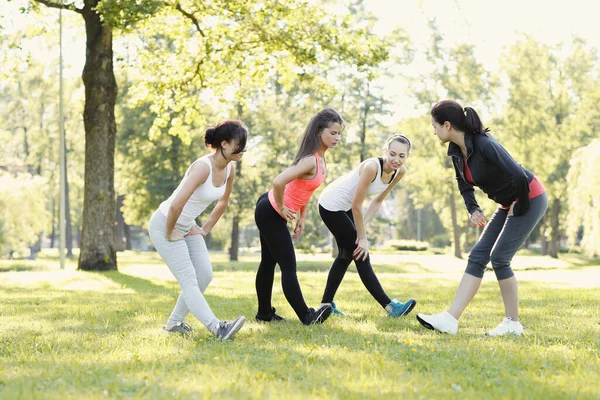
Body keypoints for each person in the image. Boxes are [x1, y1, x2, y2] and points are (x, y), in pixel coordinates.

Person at [416, 100, 547, 336]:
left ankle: (512, 323)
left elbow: (517, 173)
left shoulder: (484, 144)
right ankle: (450, 319)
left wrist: (521, 206)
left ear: (447, 125)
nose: (433, 131)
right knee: (477, 256)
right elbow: (463, 184)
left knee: (499, 258)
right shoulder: (457, 152)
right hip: (509, 201)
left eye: (434, 126)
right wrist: (473, 208)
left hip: (530, 196)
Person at [148, 120, 248, 341]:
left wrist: (205, 229)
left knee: (205, 275)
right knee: (189, 281)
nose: (244, 149)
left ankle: (174, 323)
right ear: (224, 144)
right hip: (165, 222)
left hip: (187, 225)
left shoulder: (230, 167)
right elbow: (176, 205)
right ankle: (217, 328)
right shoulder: (203, 167)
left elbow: (223, 201)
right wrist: (169, 232)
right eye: (239, 144)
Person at [254, 108, 344, 325]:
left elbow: (305, 190)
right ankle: (306, 316)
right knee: (288, 266)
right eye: (333, 133)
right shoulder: (309, 160)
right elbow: (278, 182)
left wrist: (302, 217)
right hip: (270, 211)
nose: (337, 138)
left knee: (268, 263)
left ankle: (264, 313)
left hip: (273, 211)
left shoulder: (321, 160)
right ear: (319, 131)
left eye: (339, 134)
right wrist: (284, 208)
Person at [318, 134, 417, 318]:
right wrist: (361, 238)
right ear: (385, 151)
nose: (396, 160)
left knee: (346, 254)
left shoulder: (399, 172)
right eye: (392, 154)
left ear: (407, 156)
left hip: (345, 207)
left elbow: (378, 201)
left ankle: (326, 306)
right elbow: (357, 205)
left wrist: (362, 228)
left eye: (401, 156)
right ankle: (390, 307)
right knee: (360, 253)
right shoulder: (372, 167)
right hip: (331, 205)